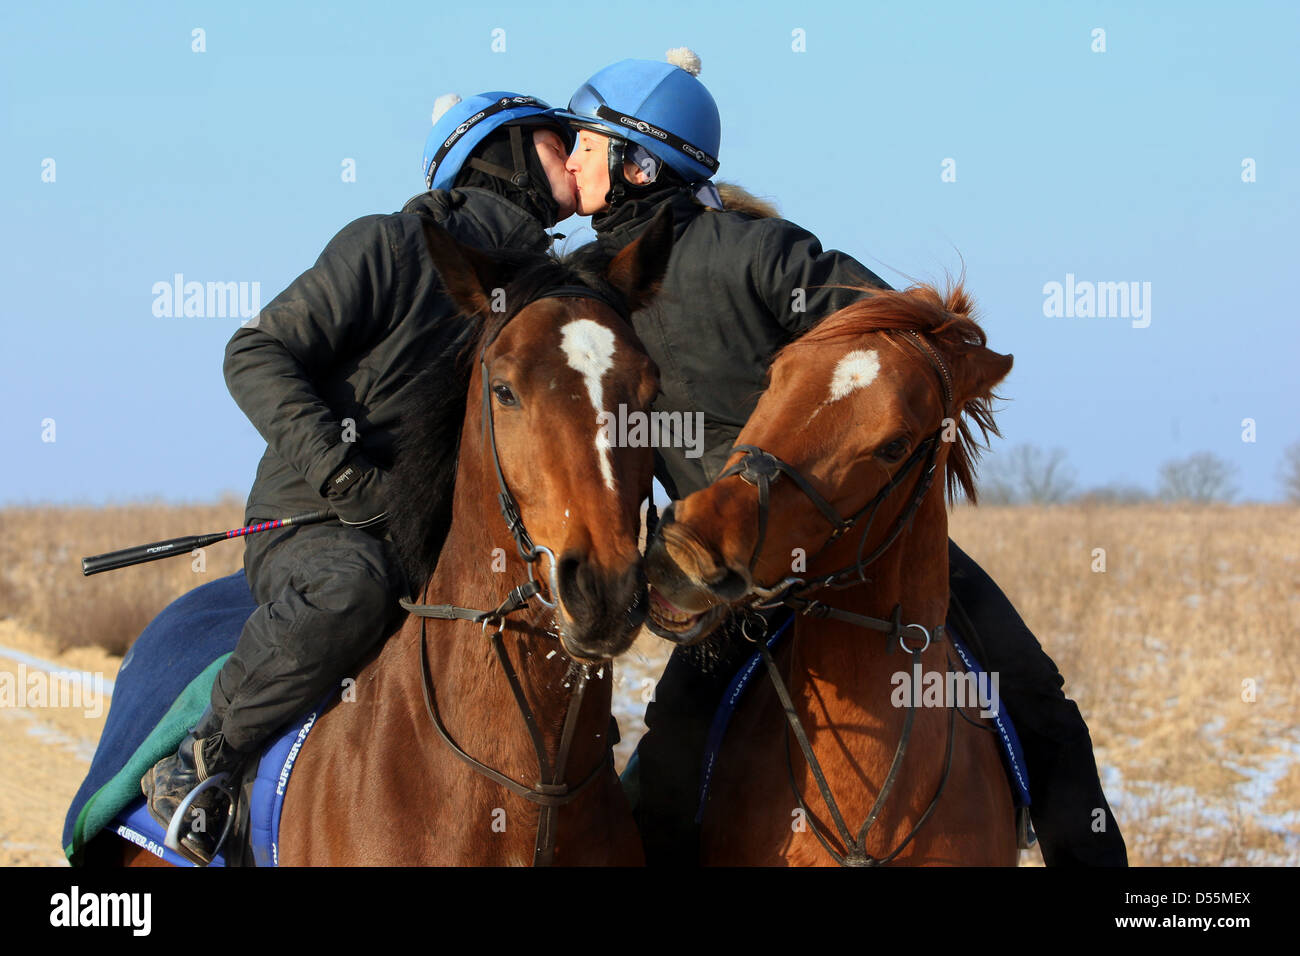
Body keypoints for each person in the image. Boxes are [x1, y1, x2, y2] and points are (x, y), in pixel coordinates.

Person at [556, 49, 1128, 866]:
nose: (571, 155)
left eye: (585, 140)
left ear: (640, 163)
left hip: (796, 553)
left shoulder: (730, 257)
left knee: (674, 757)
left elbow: (886, 340)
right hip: (734, 563)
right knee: (1034, 698)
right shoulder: (604, 283)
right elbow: (905, 335)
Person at [140, 92, 578, 865]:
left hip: (442, 546)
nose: (577, 154)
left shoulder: (548, 293)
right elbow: (254, 352)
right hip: (319, 528)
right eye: (557, 140)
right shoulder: (388, 244)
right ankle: (203, 760)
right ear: (500, 149)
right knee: (356, 590)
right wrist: (343, 476)